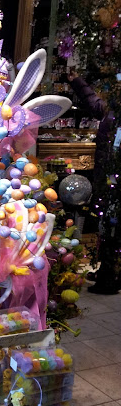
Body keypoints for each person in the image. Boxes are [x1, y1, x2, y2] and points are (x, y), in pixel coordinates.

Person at [67, 70, 119, 294]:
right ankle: (109, 272)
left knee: (111, 226)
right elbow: (94, 103)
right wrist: (77, 81)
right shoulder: (112, 112)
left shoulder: (115, 115)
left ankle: (109, 277)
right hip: (109, 179)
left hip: (113, 182)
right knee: (108, 225)